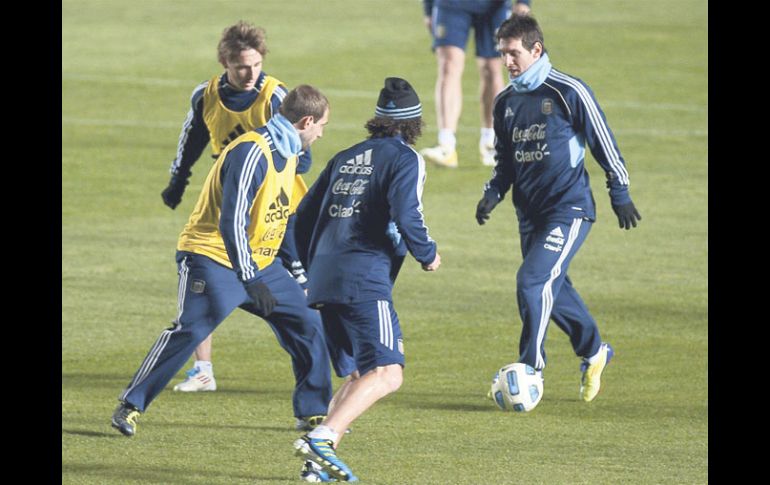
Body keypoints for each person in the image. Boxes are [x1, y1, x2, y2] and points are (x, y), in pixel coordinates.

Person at [111, 85, 336, 437]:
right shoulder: (253, 151)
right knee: (192, 329)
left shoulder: (288, 151)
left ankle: (313, 412)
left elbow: (280, 212)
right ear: (306, 121)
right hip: (212, 257)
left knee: (308, 321)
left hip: (261, 262)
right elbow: (231, 220)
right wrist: (250, 278)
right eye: (321, 126)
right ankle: (130, 405)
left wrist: (289, 268)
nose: (321, 133)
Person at [475, 15, 641, 403]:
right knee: (554, 289)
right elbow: (505, 161)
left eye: (514, 53)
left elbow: (603, 141)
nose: (508, 62)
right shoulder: (506, 103)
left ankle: (531, 367)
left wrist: (620, 192)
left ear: (536, 49)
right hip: (528, 215)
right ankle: (595, 350)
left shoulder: (568, 91)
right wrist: (493, 192)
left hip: (569, 209)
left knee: (531, 282)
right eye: (502, 54)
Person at [291, 77, 441, 482]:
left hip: (323, 280)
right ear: (413, 123)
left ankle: (314, 467)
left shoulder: (344, 156)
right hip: (364, 278)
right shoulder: (406, 159)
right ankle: (323, 438)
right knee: (388, 372)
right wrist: (427, 254)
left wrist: (310, 271)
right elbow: (408, 213)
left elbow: (301, 220)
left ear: (378, 119)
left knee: (359, 373)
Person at [159, 21, 313, 394]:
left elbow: (303, 157)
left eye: (256, 64)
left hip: (279, 205)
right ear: (224, 61)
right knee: (203, 277)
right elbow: (192, 138)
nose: (250, 74)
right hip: (229, 200)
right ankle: (203, 370)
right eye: (242, 65)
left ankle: (331, 367)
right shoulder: (206, 95)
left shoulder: (276, 96)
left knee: (301, 284)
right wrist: (178, 181)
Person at [419, 0, 532, 168]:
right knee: (448, 65)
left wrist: (523, 2)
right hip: (450, 5)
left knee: (492, 68)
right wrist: (428, 9)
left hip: (495, 7)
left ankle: (491, 141)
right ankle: (446, 145)